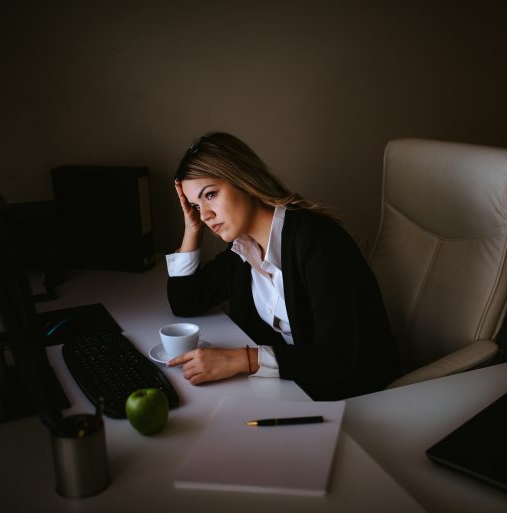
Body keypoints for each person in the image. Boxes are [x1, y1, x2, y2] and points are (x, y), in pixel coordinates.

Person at [165, 132, 401, 400]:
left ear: (243, 179)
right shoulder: (243, 248)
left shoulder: (319, 241)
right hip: (295, 389)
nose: (205, 215)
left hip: (357, 397)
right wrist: (191, 228)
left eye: (210, 195)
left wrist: (241, 360)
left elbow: (337, 359)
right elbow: (185, 301)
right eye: (196, 206)